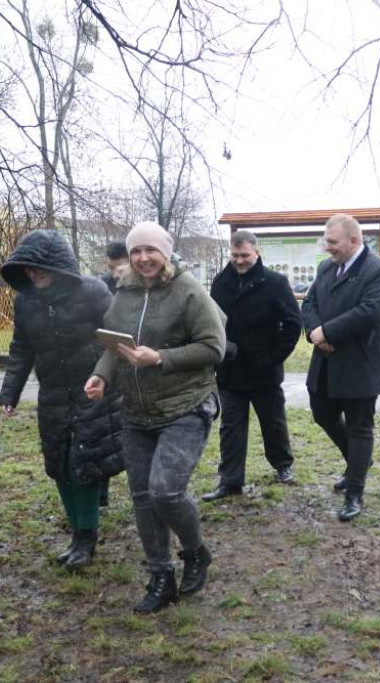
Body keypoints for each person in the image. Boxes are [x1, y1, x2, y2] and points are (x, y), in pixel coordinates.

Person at [84, 221, 225, 613]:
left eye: (151, 250)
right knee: (143, 498)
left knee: (165, 491)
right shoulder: (124, 293)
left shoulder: (189, 291)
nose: (143, 258)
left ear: (166, 252)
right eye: (136, 251)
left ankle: (195, 552)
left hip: (185, 406)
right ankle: (160, 575)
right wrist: (100, 375)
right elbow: (114, 346)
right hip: (136, 412)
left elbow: (214, 348)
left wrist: (160, 357)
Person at [0, 229, 124, 570]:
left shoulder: (94, 291)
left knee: (81, 464)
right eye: (26, 268)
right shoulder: (26, 301)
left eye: (37, 267)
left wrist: (110, 377)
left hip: (92, 390)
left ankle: (85, 537)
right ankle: (78, 531)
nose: (31, 274)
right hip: (53, 394)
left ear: (57, 265)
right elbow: (21, 349)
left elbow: (119, 339)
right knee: (59, 467)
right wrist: (10, 390)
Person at [301, 214, 380, 522]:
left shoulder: (379, 271)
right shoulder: (326, 268)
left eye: (333, 242)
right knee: (323, 415)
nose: (327, 248)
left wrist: (327, 332)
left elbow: (370, 311)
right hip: (325, 362)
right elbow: (309, 304)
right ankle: (357, 462)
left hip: (360, 365)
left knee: (359, 427)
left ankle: (355, 492)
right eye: (326, 241)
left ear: (354, 241)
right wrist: (317, 333)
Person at [202, 230, 302, 501]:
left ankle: (283, 465)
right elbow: (213, 322)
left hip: (264, 370)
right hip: (230, 370)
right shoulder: (221, 282)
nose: (239, 260)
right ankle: (230, 481)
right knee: (231, 426)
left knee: (273, 422)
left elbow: (293, 324)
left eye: (244, 255)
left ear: (256, 253)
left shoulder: (275, 282)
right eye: (235, 255)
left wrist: (272, 358)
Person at [97, 241, 129, 509]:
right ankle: (101, 493)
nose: (115, 272)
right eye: (111, 267)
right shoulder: (102, 286)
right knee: (104, 430)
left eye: (120, 266)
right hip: (107, 366)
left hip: (137, 366)